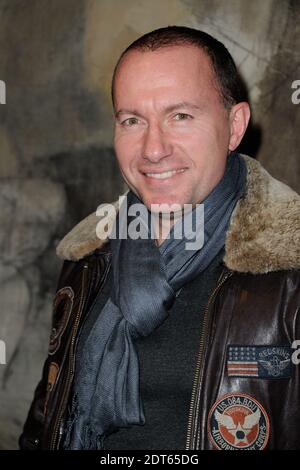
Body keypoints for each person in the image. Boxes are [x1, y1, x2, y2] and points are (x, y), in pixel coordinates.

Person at [20, 26, 300, 451]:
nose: (153, 149)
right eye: (132, 120)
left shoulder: (289, 268)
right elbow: (46, 420)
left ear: (235, 125)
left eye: (180, 116)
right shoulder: (86, 258)